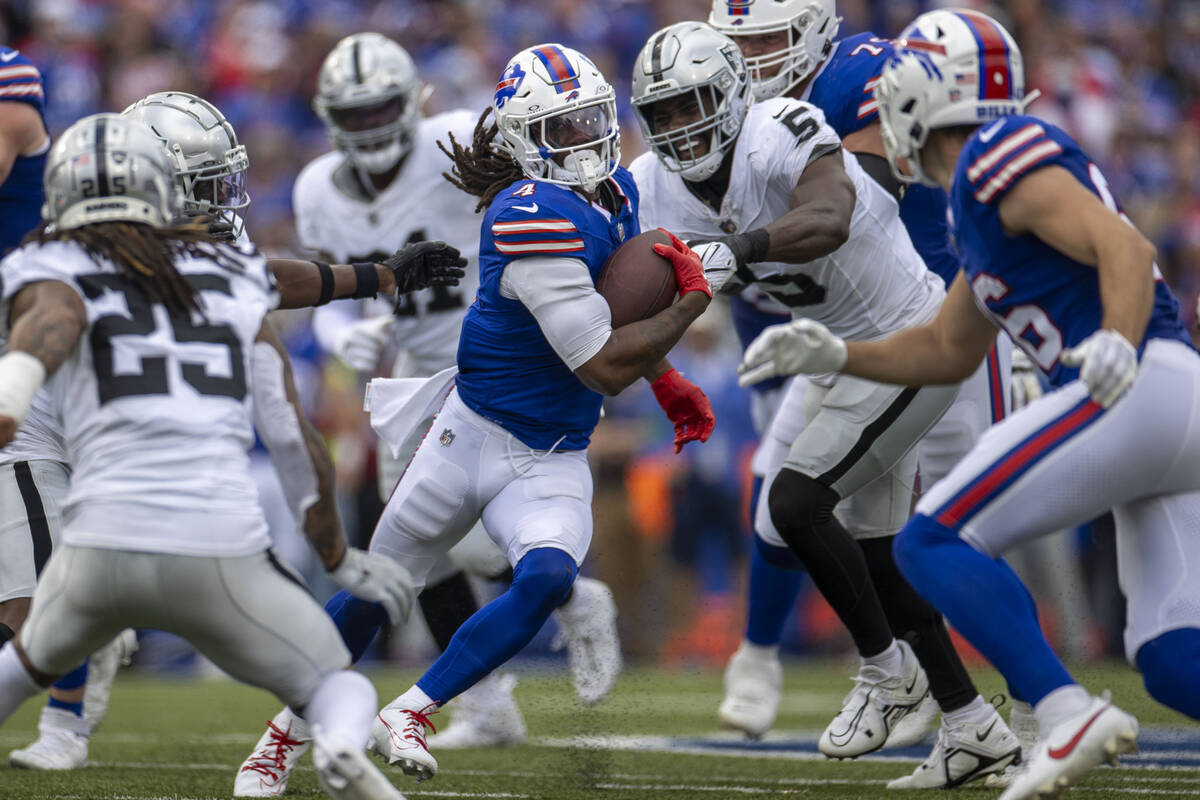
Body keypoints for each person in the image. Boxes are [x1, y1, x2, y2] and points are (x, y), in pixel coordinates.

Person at [739, 8, 1200, 797]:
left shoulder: (996, 153)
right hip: (1162, 405)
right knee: (1169, 656)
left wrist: (1118, 342)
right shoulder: (976, 198)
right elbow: (947, 346)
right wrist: (836, 353)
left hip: (1136, 383)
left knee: (930, 541)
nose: (883, 119)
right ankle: (1058, 709)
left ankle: (1060, 713)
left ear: (925, 97)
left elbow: (1125, 246)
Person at [231, 34, 621, 797]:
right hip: (421, 372)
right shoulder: (316, 188)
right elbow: (330, 290)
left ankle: (555, 606)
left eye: (382, 105)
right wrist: (354, 329)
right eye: (354, 110)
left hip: (508, 358)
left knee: (473, 549)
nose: (372, 122)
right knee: (413, 559)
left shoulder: (471, 147)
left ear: (413, 100)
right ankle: (487, 695)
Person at [629, 22, 1019, 783]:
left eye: (694, 104)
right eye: (665, 113)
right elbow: (621, 273)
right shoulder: (650, 184)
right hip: (841, 356)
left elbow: (829, 216)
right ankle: (971, 722)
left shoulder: (782, 127)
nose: (681, 126)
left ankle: (886, 671)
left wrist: (737, 250)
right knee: (877, 549)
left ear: (733, 94)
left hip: (914, 337)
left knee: (795, 502)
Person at [0, 113, 417, 800]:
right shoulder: (227, 273)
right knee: (335, 682)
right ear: (159, 185)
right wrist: (340, 558)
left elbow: (47, 329)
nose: (218, 199)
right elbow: (287, 428)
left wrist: (11, 392)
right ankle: (341, 744)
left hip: (100, 536)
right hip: (211, 541)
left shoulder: (47, 261)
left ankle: (67, 710)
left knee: (23, 655)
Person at [354, 42, 712, 784]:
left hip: (551, 446)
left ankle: (413, 709)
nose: (584, 142)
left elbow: (616, 318)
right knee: (380, 583)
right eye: (563, 130)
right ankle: (282, 737)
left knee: (538, 573)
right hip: (472, 429)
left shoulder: (614, 194)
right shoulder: (531, 213)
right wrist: (693, 301)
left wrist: (667, 376)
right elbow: (602, 359)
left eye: (590, 122)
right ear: (525, 139)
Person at [0, 43, 138, 771]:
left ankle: (64, 727)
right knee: (19, 591)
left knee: (33, 590)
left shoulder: (8, 77)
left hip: (24, 349)